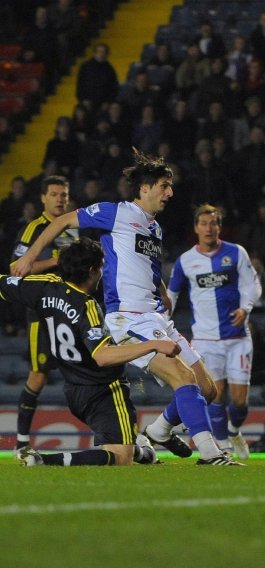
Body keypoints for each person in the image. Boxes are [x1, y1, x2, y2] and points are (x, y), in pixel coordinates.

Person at [13, 150, 242, 466]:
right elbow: (65, 220)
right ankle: (210, 453)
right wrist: (29, 257)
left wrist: (161, 289)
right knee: (184, 381)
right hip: (128, 317)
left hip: (155, 315)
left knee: (208, 388)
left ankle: (160, 430)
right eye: (164, 186)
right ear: (145, 188)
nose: (170, 193)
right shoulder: (116, 213)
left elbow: (147, 264)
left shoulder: (155, 228)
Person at [5, 238, 176, 466]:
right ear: (92, 270)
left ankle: (141, 451)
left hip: (73, 390)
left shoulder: (43, 286)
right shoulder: (87, 307)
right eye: (101, 267)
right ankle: (43, 461)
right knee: (120, 458)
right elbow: (102, 356)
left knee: (123, 446)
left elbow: (5, 284)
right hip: (104, 392)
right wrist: (154, 345)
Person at [167, 205, 262, 459]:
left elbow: (253, 285)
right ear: (196, 228)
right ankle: (223, 447)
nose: (209, 228)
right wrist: (161, 320)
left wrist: (245, 308)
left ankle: (233, 430)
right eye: (204, 223)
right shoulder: (186, 260)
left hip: (237, 337)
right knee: (216, 395)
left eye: (213, 223)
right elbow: (171, 295)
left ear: (219, 227)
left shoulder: (235, 253)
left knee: (240, 402)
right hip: (207, 340)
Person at [9, 175, 78, 459]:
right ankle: (22, 442)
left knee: (88, 371)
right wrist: (55, 261)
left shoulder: (72, 226)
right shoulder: (34, 228)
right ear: (43, 198)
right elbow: (16, 266)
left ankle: (109, 434)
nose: (60, 198)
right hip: (41, 313)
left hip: (71, 310)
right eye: (54, 194)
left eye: (63, 194)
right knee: (38, 375)